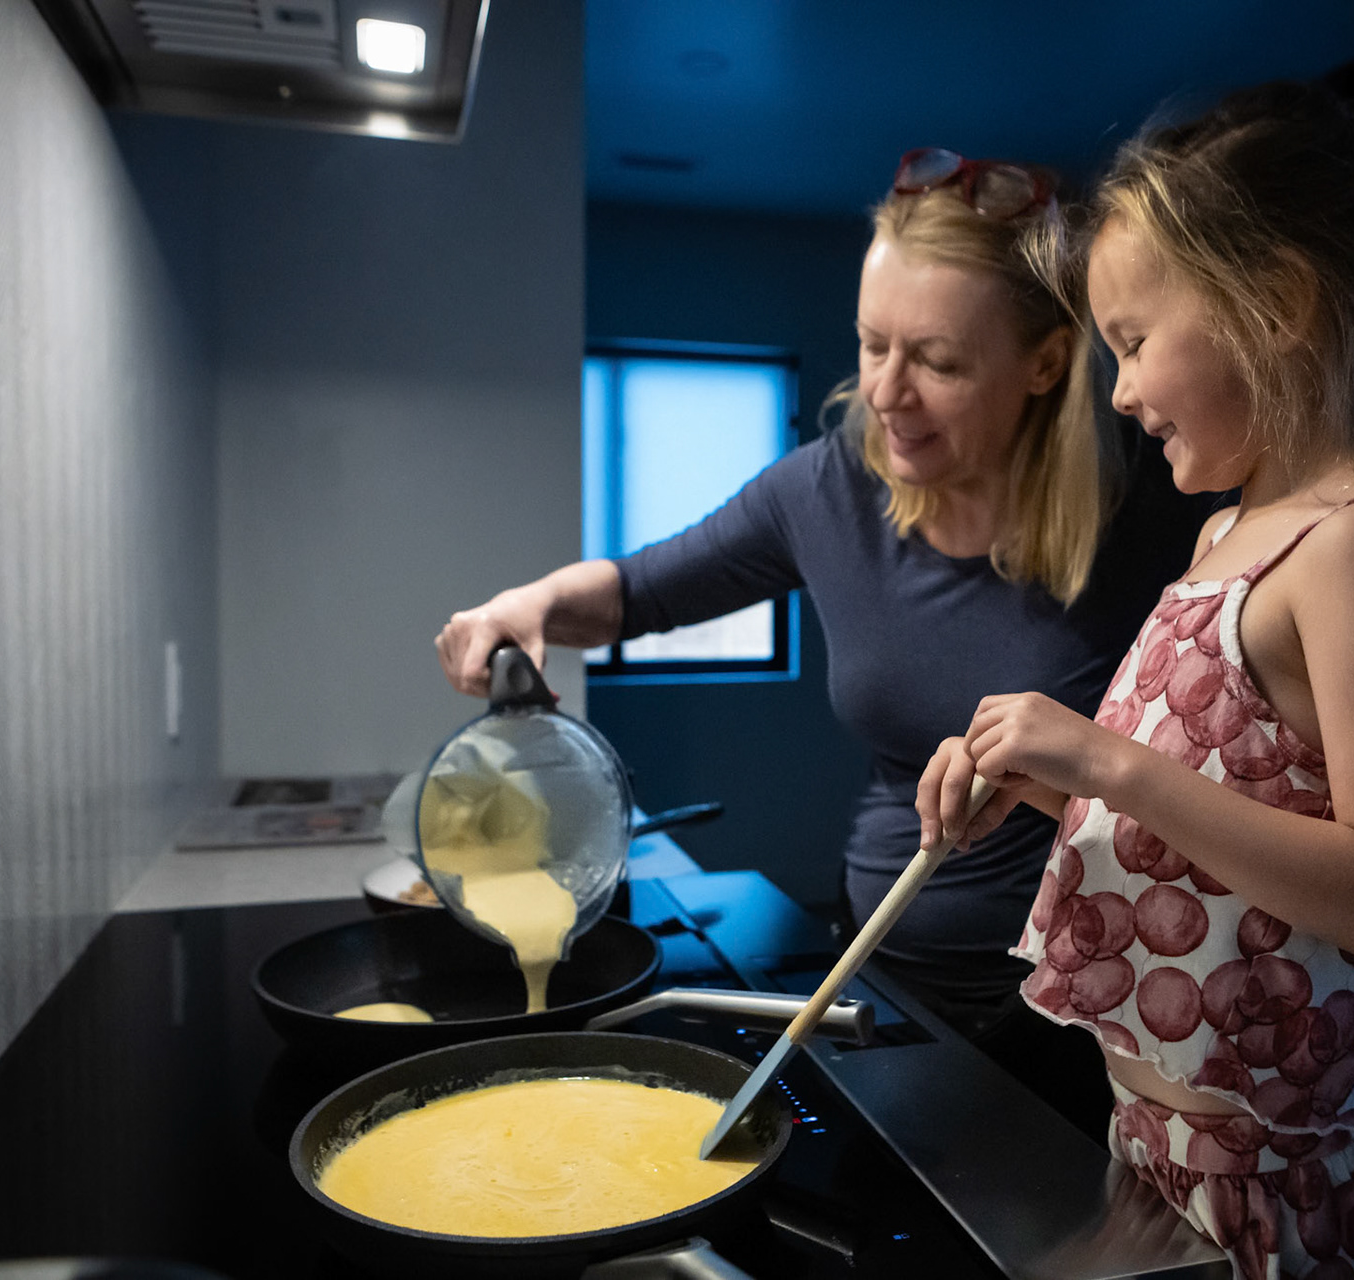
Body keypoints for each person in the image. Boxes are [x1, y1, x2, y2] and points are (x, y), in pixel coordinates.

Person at [435, 147, 1201, 1124]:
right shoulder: (828, 490)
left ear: (1046, 362)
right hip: (884, 967)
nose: (886, 391)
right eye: (873, 345)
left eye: (937, 361)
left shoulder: (1158, 502)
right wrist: (529, 604)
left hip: (1094, 1002)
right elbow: (637, 591)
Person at [918, 82, 1354, 1280]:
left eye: (1135, 342)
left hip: (1272, 1190)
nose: (1119, 390)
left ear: (1282, 304)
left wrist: (1105, 759)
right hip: (1150, 1152)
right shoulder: (1225, 538)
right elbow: (1222, 828)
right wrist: (1050, 787)